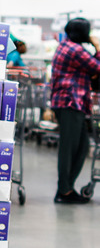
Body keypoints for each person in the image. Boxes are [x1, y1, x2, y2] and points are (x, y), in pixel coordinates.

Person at [50, 17, 100, 204]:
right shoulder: (75, 49)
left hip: (70, 103)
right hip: (70, 103)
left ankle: (67, 188)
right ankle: (64, 190)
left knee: (81, 147)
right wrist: (98, 46)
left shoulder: (67, 46)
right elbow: (96, 67)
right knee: (69, 148)